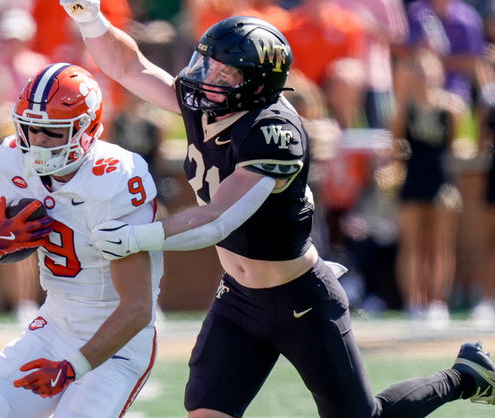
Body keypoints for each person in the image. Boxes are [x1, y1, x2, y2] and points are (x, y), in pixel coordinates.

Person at [59, 2, 495, 416]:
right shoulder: (207, 102)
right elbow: (129, 66)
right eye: (208, 63)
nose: (208, 77)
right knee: (207, 411)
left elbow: (218, 218)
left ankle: (464, 376)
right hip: (239, 296)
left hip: (299, 298)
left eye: (225, 72)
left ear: (256, 84)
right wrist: (91, 19)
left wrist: (138, 238)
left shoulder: (273, 130)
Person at [0, 63, 161, 417]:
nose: (36, 141)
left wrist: (74, 367)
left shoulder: (116, 177)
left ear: (87, 130)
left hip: (115, 345)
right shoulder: (11, 159)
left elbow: (138, 307)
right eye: (30, 127)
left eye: (51, 131)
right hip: (53, 328)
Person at [390, 50, 465, 327]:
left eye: (430, 71)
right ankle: (413, 302)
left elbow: (453, 147)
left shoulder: (452, 108)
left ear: (440, 74)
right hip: (413, 177)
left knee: (440, 245)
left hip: (441, 178)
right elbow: (396, 145)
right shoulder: (404, 108)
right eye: (419, 71)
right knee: (411, 244)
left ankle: (437, 303)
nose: (425, 77)